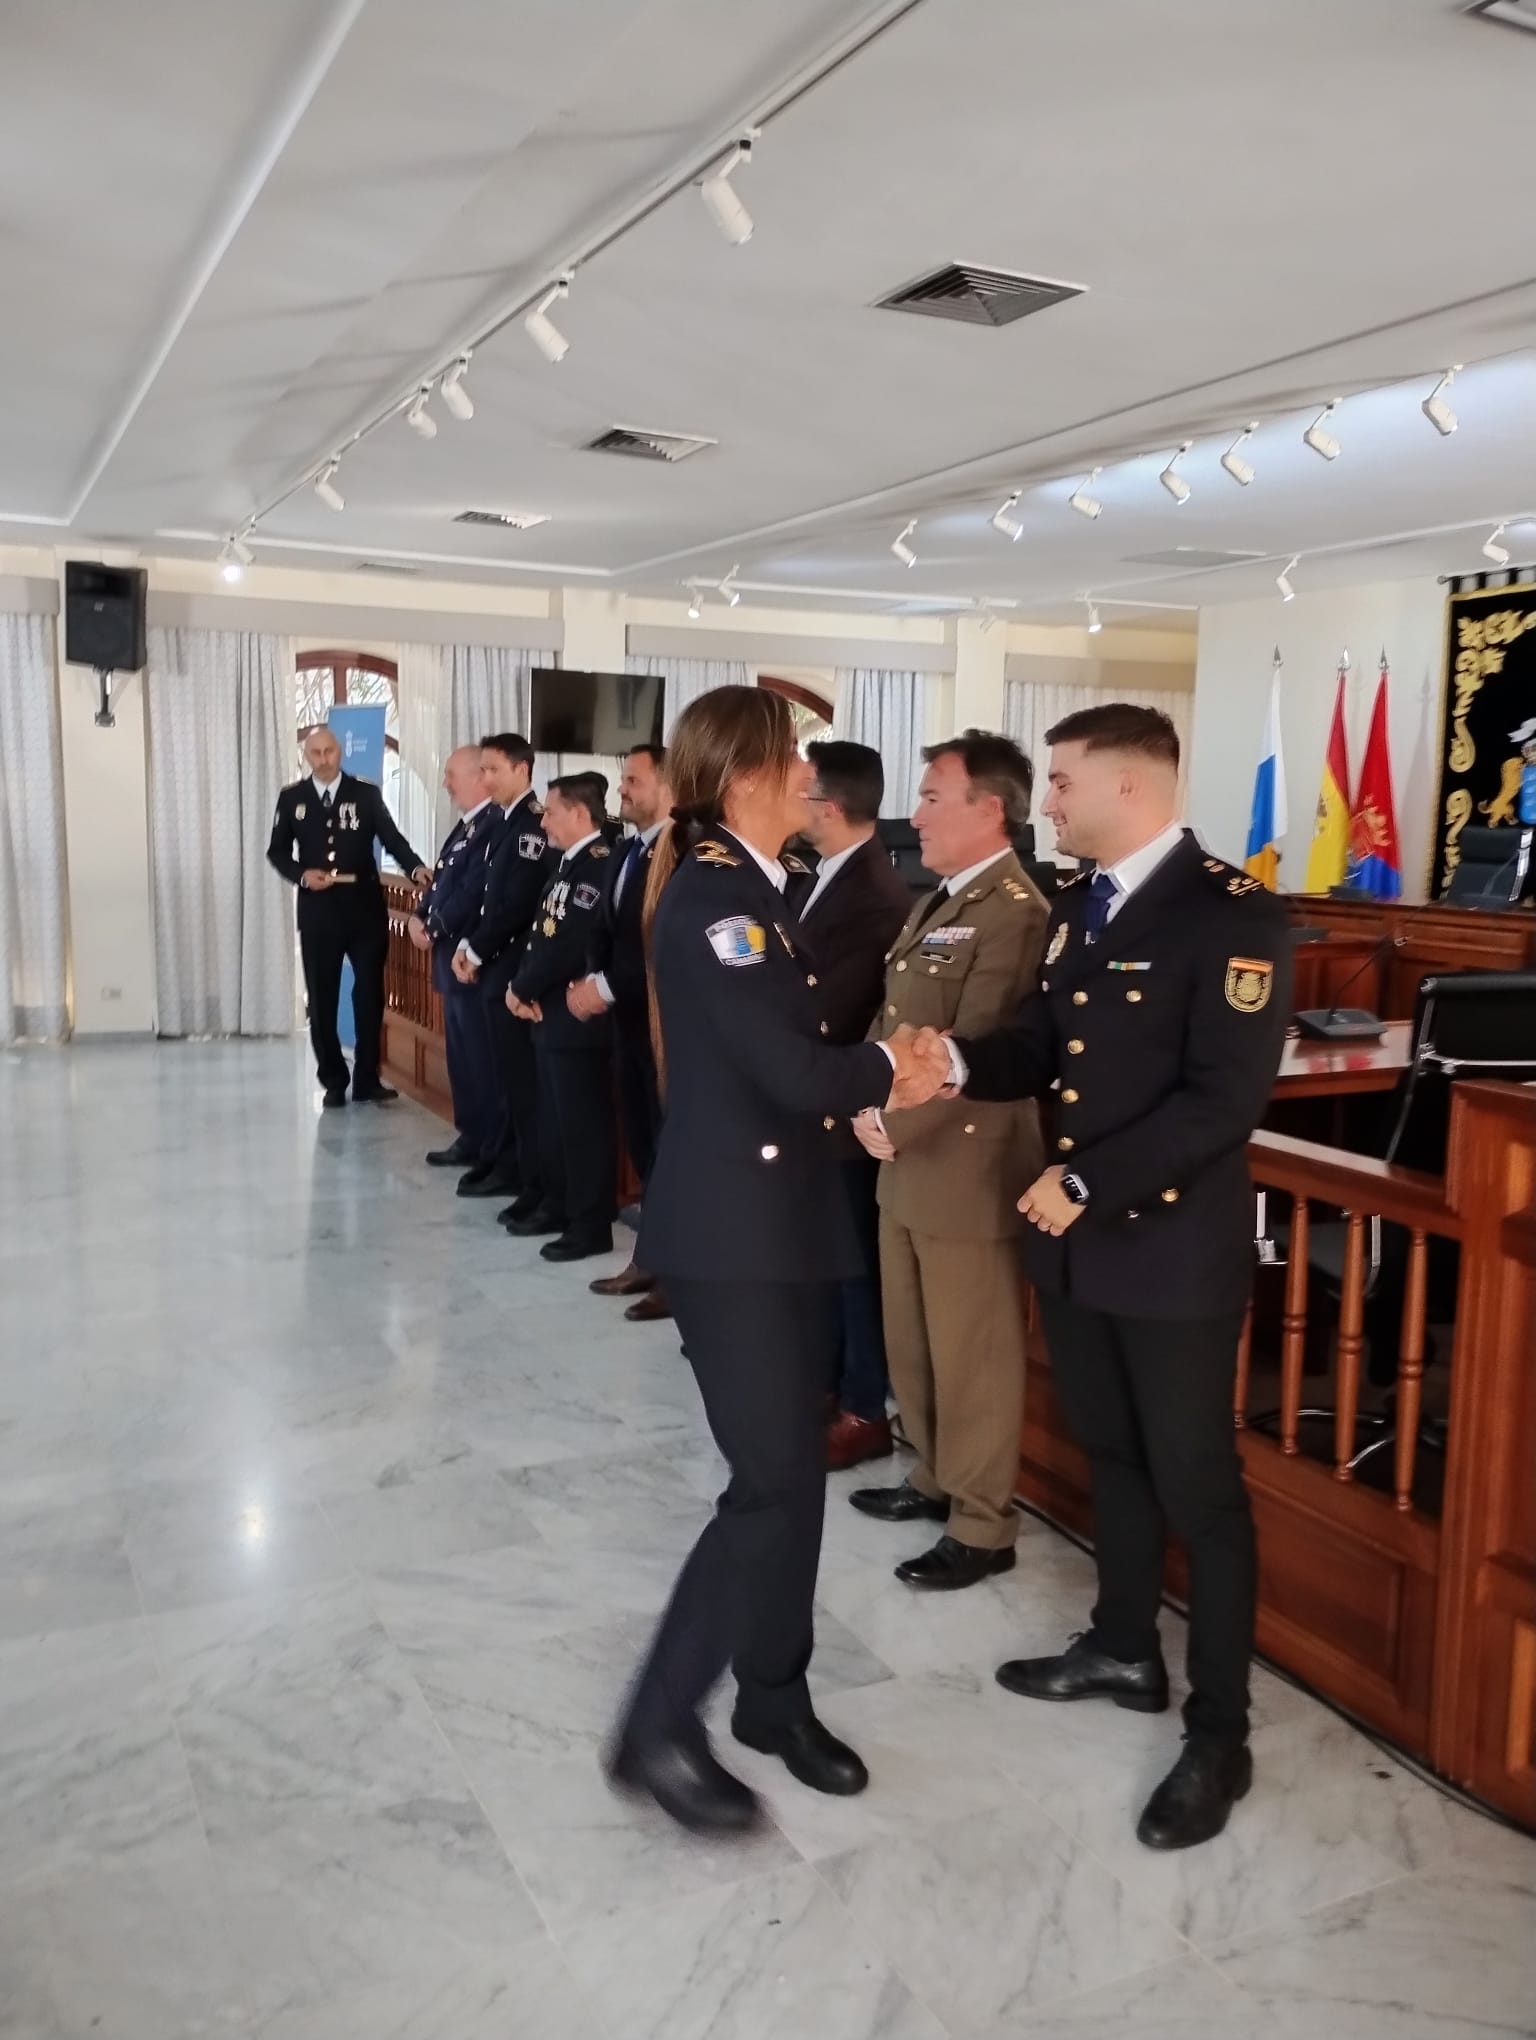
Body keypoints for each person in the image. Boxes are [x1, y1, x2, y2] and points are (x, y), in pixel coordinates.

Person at [937, 702, 1291, 1850]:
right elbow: (1044, 1045)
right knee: (1116, 1457)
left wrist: (1088, 1186)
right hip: (1079, 1247)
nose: (1045, 801)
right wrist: (946, 1059)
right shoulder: (1083, 905)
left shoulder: (1232, 913)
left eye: (1059, 780)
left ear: (1129, 788)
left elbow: (1221, 1102)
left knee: (1202, 1489)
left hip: (1169, 1247)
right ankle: (1125, 1647)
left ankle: (1220, 1733)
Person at [607, 686, 943, 1838]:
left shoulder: (756, 888)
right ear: (746, 771)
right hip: (736, 1239)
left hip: (781, 1220)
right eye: (792, 756)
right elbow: (793, 1069)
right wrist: (890, 1068)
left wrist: (847, 1101)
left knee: (791, 1470)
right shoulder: (717, 900)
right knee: (771, 1483)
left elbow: (780, 1069)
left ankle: (771, 1697)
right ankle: (659, 1722)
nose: (809, 773)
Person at [849, 731, 1049, 1587]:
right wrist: (862, 1097)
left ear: (988, 809)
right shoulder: (940, 900)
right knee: (914, 1339)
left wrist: (897, 1126)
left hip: (964, 1161)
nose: (914, 813)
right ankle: (932, 1475)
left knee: (974, 1353)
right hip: (901, 1152)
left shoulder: (1017, 911)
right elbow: (898, 1019)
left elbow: (979, 1043)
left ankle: (982, 1521)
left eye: (932, 796)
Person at [797, 740, 913, 1469]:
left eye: (803, 793)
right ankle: (830, 1386)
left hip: (843, 1105)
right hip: (810, 1101)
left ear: (829, 808)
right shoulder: (816, 876)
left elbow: (832, 1010)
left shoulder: (874, 894)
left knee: (854, 1267)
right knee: (826, 1262)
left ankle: (865, 1405)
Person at [267, 724, 430, 1108]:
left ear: (340, 752)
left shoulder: (366, 793)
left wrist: (416, 869)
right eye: (315, 754)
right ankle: (334, 1080)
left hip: (363, 909)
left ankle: (368, 1078)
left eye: (329, 752)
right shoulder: (293, 798)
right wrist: (302, 876)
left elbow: (393, 839)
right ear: (307, 757)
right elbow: (276, 852)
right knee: (321, 999)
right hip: (318, 910)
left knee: (369, 994)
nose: (323, 760)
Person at [570, 742, 675, 1322]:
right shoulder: (625, 849)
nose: (622, 791)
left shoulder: (679, 853)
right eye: (622, 780)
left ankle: (674, 1274)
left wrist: (604, 988)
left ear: (668, 786)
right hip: (625, 1025)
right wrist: (591, 978)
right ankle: (649, 1259)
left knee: (668, 1148)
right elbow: (602, 927)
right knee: (643, 1143)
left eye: (633, 780)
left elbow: (660, 946)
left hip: (663, 1028)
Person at [506, 773, 616, 1263]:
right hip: (549, 1012)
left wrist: (521, 987)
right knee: (555, 1120)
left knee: (581, 1126)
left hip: (575, 1018)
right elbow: (542, 936)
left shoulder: (596, 866)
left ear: (578, 814)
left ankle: (590, 1223)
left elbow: (571, 944)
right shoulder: (567, 863)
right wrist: (524, 988)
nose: (543, 820)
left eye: (551, 812)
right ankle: (559, 1205)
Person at [450, 733, 549, 1208]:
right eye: (482, 770)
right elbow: (486, 897)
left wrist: (477, 949)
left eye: (492, 770)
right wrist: (468, 945)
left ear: (521, 769)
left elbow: (516, 908)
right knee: (499, 1074)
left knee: (516, 1081)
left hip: (510, 965)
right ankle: (498, 1155)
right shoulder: (501, 823)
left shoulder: (530, 824)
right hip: (493, 964)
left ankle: (515, 1167)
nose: (485, 779)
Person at [408, 747, 504, 1173]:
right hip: (449, 957)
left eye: (451, 774)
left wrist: (436, 928)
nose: (445, 783)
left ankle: (488, 1142)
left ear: (478, 776)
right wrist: (418, 915)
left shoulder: (493, 825)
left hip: (471, 957)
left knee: (480, 1057)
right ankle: (470, 1133)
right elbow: (443, 878)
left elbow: (474, 890)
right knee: (461, 1055)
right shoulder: (466, 826)